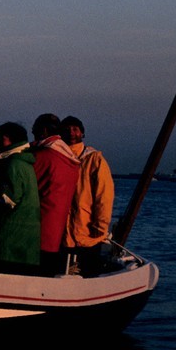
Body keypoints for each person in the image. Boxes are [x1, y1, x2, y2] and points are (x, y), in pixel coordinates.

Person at [0, 121, 40, 273]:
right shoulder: (24, 163)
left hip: (11, 239)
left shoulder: (14, 164)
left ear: (12, 140)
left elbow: (10, 199)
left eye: (1, 138)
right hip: (24, 239)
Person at [62, 115, 115, 275]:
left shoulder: (94, 160)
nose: (71, 133)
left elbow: (104, 197)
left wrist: (100, 226)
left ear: (82, 133)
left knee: (87, 273)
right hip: (63, 235)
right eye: (67, 129)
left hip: (87, 232)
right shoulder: (60, 158)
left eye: (75, 129)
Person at [30, 113, 81, 276]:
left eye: (34, 131)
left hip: (37, 232)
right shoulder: (71, 160)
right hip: (56, 232)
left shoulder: (43, 157)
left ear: (43, 131)